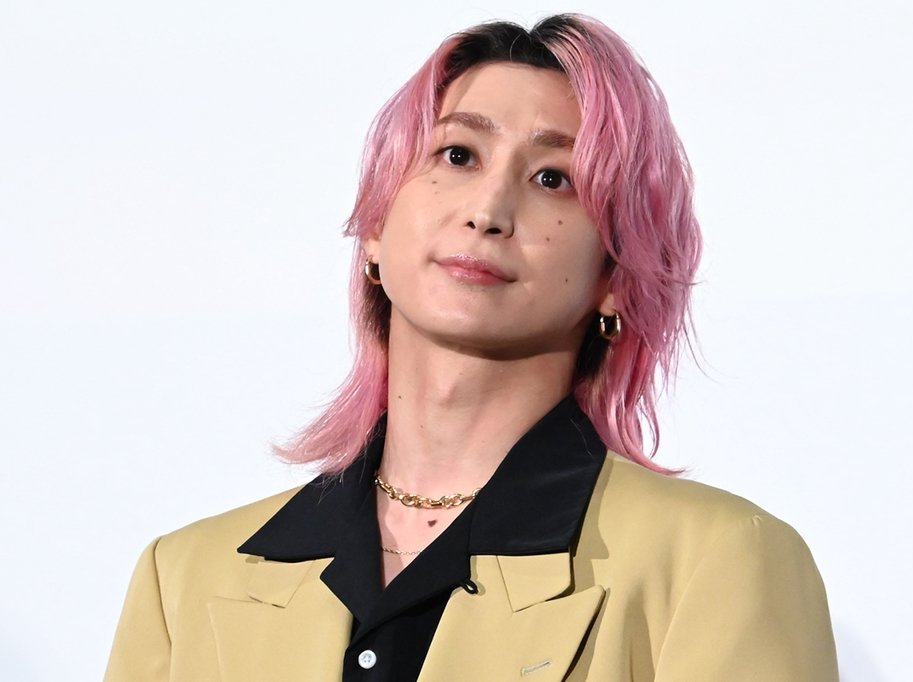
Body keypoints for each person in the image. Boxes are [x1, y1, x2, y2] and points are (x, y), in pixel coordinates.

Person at [105, 14, 839, 682]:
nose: (489, 211)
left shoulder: (719, 561)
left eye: (554, 178)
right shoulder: (184, 580)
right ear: (375, 227)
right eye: (458, 154)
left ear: (616, 276)